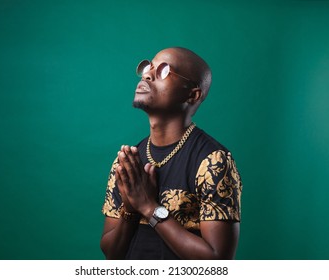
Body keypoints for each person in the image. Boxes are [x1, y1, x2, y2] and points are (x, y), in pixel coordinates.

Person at [100, 47, 242, 260]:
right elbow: (111, 254)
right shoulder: (129, 161)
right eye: (149, 67)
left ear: (192, 95)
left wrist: (149, 207)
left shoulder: (214, 161)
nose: (148, 74)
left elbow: (217, 261)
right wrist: (130, 210)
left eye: (164, 71)